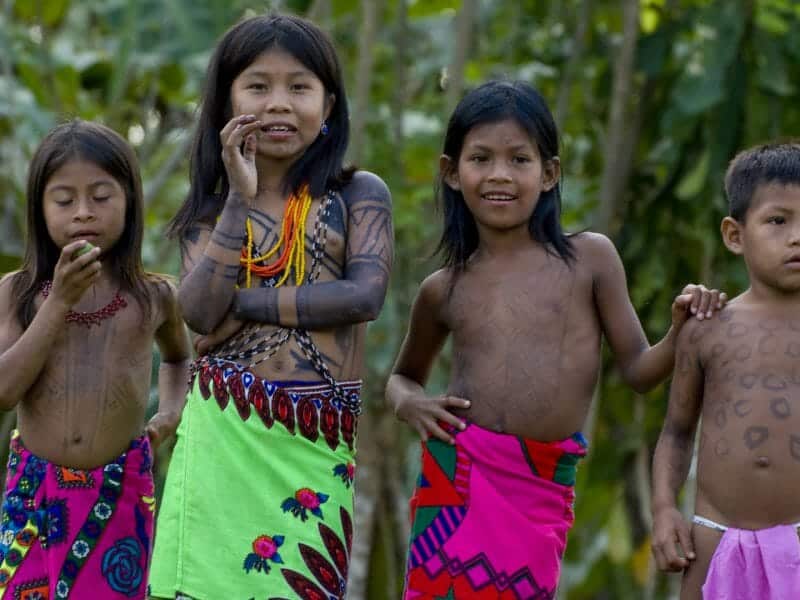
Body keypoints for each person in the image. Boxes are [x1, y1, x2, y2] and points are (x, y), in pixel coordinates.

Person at [386, 80, 725, 600]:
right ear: (452, 172)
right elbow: (403, 376)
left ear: (549, 173)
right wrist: (409, 402)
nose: (500, 175)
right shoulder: (443, 289)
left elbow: (638, 371)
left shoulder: (589, 260)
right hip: (456, 478)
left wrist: (679, 333)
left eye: (519, 160)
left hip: (538, 488)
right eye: (481, 158)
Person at [147, 13, 393, 600]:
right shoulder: (210, 213)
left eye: (299, 87)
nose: (279, 103)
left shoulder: (358, 195)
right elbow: (202, 314)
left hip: (314, 447)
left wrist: (248, 302)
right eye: (258, 86)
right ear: (226, 102)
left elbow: (363, 296)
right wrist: (240, 196)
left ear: (328, 105)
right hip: (220, 444)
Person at [0, 120, 191, 600]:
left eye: (102, 197)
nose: (83, 213)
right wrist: (58, 302)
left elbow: (178, 358)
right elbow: (4, 391)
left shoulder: (152, 297)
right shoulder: (18, 293)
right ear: (40, 210)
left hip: (120, 488)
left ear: (130, 201)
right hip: (35, 491)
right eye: (64, 201)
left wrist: (170, 411)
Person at [651, 143, 800, 599]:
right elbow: (677, 431)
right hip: (713, 539)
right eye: (778, 221)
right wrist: (663, 509)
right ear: (735, 235)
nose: (797, 236)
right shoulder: (708, 329)